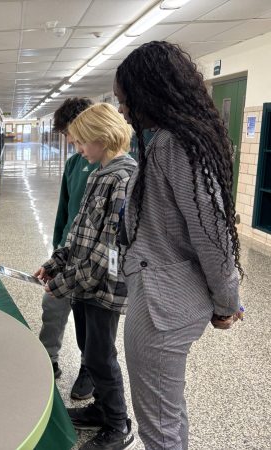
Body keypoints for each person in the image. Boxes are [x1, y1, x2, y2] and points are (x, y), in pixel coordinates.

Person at [114, 41, 244, 450]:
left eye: (125, 99)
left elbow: (213, 234)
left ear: (150, 92)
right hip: (163, 293)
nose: (122, 110)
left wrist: (228, 304)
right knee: (166, 412)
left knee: (159, 424)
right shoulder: (170, 140)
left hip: (163, 305)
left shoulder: (174, 145)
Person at [36, 103, 137, 450]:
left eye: (81, 142)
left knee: (100, 356)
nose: (78, 149)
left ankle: (118, 423)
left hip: (103, 288)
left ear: (102, 137)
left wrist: (61, 284)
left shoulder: (124, 177)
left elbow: (106, 250)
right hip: (83, 285)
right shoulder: (96, 172)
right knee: (88, 349)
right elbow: (79, 232)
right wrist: (56, 263)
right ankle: (100, 410)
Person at [38, 97, 97, 402]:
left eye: (70, 133)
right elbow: (64, 210)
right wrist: (56, 252)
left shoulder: (109, 166)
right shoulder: (74, 163)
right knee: (52, 304)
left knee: (89, 320)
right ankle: (48, 358)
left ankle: (90, 368)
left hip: (93, 261)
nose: (69, 141)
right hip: (68, 251)